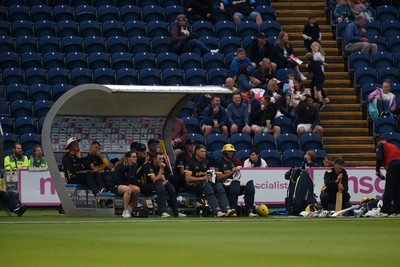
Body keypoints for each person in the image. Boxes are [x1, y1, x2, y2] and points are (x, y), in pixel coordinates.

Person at [184, 144, 236, 217]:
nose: (204, 153)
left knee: (218, 185)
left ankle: (227, 209)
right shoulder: (190, 162)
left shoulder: (205, 162)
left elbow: (208, 174)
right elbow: (188, 179)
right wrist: (203, 178)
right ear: (196, 152)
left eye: (205, 151)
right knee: (208, 186)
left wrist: (209, 176)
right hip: (192, 186)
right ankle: (217, 211)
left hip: (203, 183)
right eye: (202, 151)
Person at [136, 151, 186, 218]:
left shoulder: (159, 166)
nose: (161, 160)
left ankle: (176, 211)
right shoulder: (148, 166)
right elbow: (155, 180)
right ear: (154, 159)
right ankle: (163, 212)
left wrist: (165, 183)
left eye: (162, 159)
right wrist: (162, 169)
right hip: (142, 185)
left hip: (153, 185)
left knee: (170, 187)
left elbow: (164, 180)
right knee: (160, 185)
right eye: (159, 159)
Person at [215, 144, 256, 217]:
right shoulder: (219, 162)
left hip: (233, 184)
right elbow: (219, 177)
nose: (232, 153)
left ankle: (249, 211)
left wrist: (238, 181)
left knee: (249, 187)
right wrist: (231, 171)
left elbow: (235, 176)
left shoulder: (233, 162)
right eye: (230, 151)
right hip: (223, 186)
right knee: (235, 185)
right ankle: (233, 210)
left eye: (232, 152)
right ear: (225, 152)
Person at [110, 151, 140, 218]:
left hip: (126, 184)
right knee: (128, 189)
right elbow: (115, 179)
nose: (135, 158)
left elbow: (133, 180)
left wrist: (131, 185)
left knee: (137, 189)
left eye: (136, 157)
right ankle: (125, 210)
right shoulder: (121, 166)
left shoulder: (134, 167)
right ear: (128, 158)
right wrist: (126, 185)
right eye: (133, 157)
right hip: (115, 185)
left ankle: (130, 207)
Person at [375, 136, 400, 216]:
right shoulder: (394, 146)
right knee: (397, 190)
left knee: (389, 189)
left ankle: (385, 210)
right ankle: (398, 211)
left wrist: (377, 170)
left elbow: (379, 157)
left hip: (392, 166)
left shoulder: (381, 144)